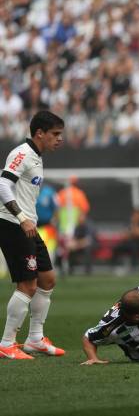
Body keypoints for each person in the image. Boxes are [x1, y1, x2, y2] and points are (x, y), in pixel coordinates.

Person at [0, 110, 66, 360]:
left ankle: (35, 339)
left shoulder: (36, 156)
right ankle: (6, 343)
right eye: (55, 134)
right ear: (40, 133)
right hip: (12, 224)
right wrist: (21, 217)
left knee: (47, 279)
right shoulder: (22, 154)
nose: (59, 139)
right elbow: (2, 184)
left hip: (28, 225)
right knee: (27, 285)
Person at [110, 208, 139, 273]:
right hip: (128, 242)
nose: (136, 216)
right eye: (135, 214)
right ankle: (114, 267)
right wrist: (131, 232)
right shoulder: (129, 222)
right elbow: (124, 235)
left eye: (138, 214)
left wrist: (132, 230)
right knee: (116, 248)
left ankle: (134, 267)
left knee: (134, 248)